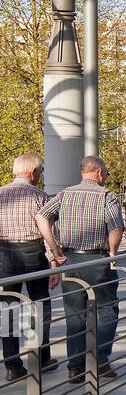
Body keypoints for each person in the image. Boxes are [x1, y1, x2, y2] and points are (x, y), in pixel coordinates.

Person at [36, 155, 125, 382]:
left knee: (75, 314)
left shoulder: (65, 194)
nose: (106, 176)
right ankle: (101, 361)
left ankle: (75, 368)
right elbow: (116, 228)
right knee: (106, 309)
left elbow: (41, 216)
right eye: (106, 173)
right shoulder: (107, 196)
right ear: (99, 172)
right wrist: (113, 253)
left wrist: (55, 250)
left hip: (71, 260)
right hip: (98, 260)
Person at [0, 153, 59, 379]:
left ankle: (13, 365)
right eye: (41, 172)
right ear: (33, 173)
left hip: (4, 254)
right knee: (40, 304)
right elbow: (49, 233)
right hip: (33, 253)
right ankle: (40, 358)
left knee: (7, 308)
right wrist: (54, 261)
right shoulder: (40, 197)